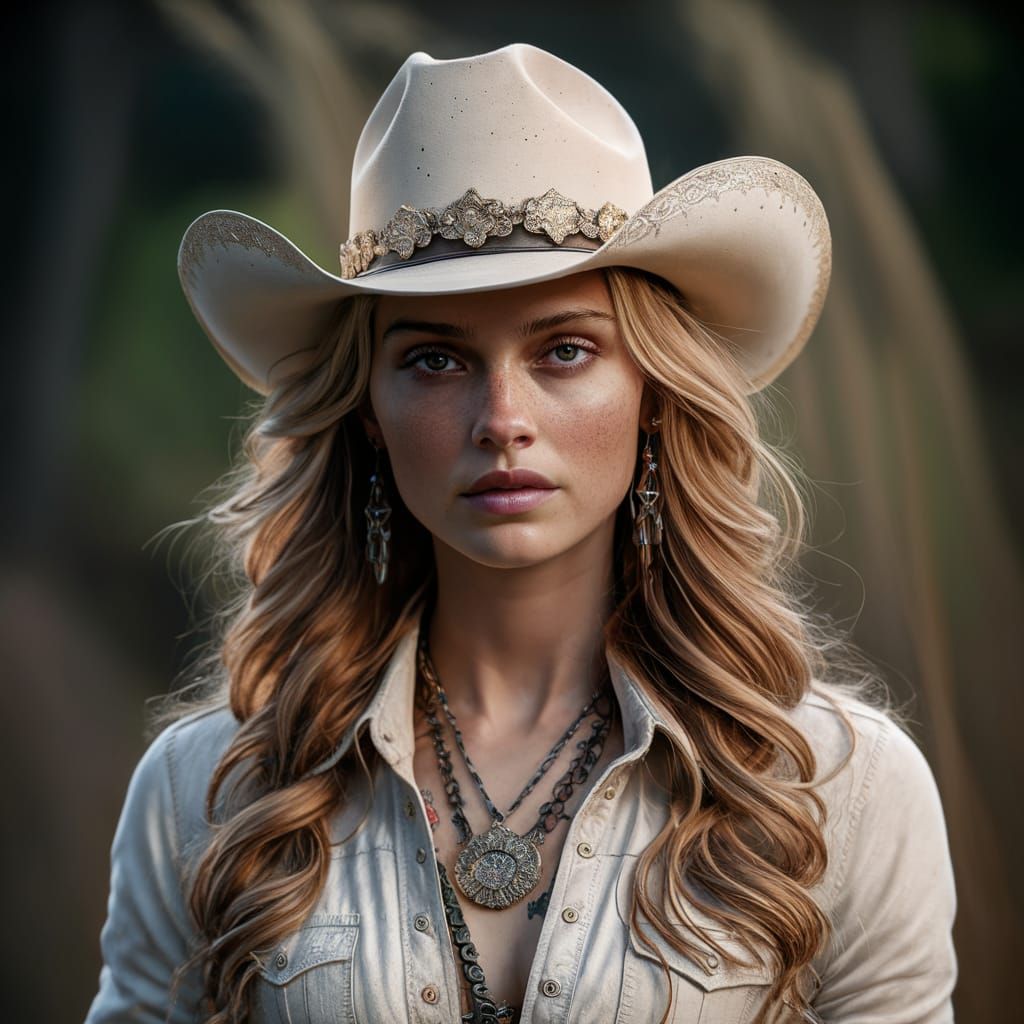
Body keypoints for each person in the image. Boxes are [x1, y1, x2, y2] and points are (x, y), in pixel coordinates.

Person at [85, 42, 957, 1024]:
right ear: (367, 409)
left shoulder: (843, 791)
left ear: (654, 394)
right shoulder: (203, 791)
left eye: (565, 349)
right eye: (435, 360)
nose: (502, 416)